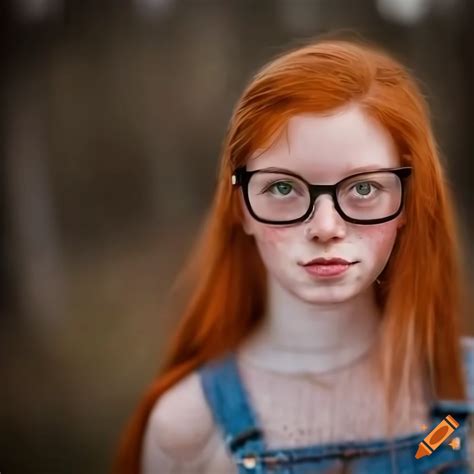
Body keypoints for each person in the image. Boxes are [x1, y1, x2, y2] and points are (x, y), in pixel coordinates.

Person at [113, 37, 474, 473]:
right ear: (241, 206)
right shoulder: (188, 427)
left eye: (363, 188)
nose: (325, 228)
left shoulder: (463, 398)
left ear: (408, 202)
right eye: (283, 188)